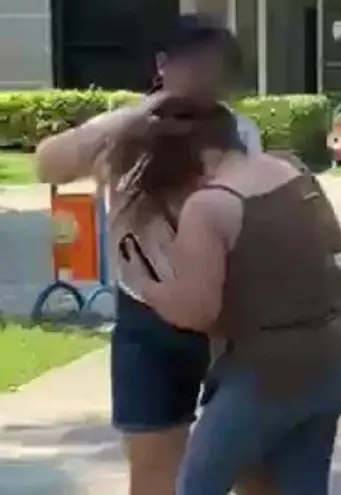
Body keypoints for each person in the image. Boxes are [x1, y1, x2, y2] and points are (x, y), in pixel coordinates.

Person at [33, 14, 264, 495]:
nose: (206, 79)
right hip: (146, 318)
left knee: (246, 462)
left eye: (218, 68)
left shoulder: (239, 132)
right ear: (163, 64)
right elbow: (48, 164)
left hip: (225, 314)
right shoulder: (125, 129)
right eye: (194, 65)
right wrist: (130, 117)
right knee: (154, 467)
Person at [117, 98, 341, 495]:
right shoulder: (288, 168)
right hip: (332, 354)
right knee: (304, 485)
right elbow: (335, 240)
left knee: (197, 484)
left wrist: (146, 285)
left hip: (265, 371)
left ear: (199, 160)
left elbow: (197, 311)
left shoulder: (209, 205)